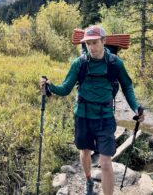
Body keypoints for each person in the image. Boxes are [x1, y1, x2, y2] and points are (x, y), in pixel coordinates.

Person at [39, 25, 144, 195]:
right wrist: (50, 87)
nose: (91, 47)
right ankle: (89, 181)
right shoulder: (79, 63)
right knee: (85, 151)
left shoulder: (115, 63)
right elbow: (66, 89)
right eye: (88, 43)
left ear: (103, 41)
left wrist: (136, 108)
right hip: (83, 116)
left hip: (105, 117)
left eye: (94, 43)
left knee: (105, 162)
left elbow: (127, 85)